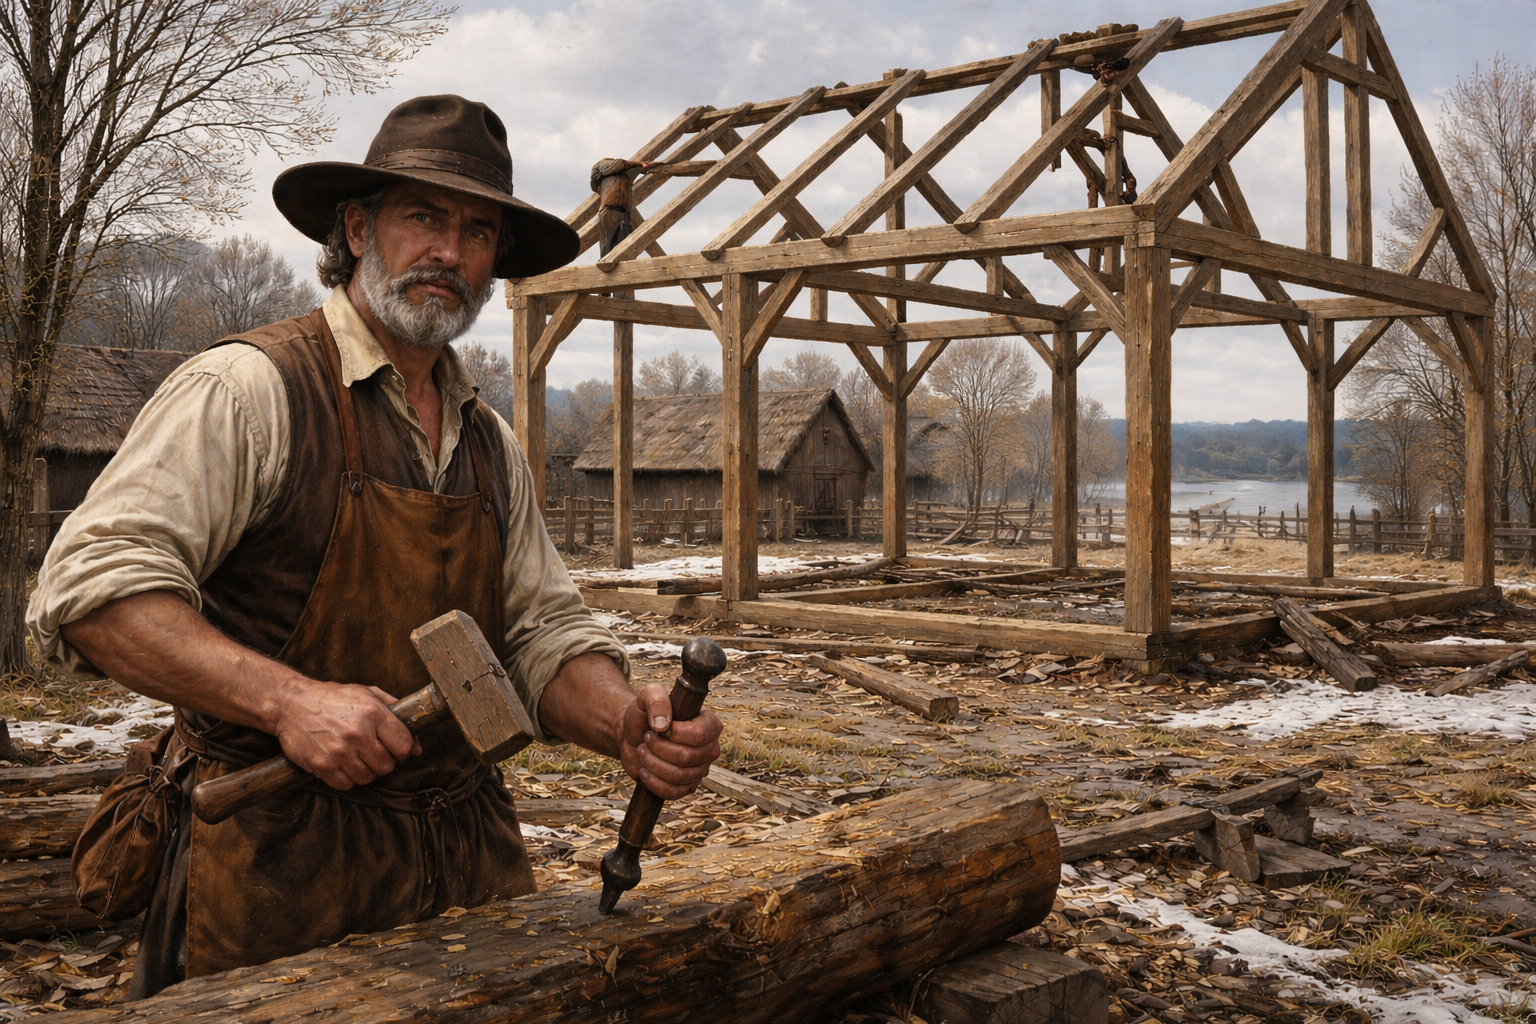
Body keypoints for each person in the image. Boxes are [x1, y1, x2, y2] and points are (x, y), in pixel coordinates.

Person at [27, 94, 722, 997]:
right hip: (274, 867)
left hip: (465, 868)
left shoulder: (487, 441)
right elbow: (91, 590)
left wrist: (626, 723)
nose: (449, 252)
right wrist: (287, 703)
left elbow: (541, 633)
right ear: (357, 230)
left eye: (478, 232)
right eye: (422, 217)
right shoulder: (250, 390)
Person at [590, 157, 657, 255]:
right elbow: (618, 164)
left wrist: (643, 167)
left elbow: (623, 167)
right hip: (610, 208)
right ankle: (607, 261)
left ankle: (619, 259)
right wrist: (637, 164)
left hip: (623, 211)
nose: (612, 159)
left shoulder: (622, 176)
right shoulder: (603, 165)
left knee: (624, 235)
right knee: (608, 240)